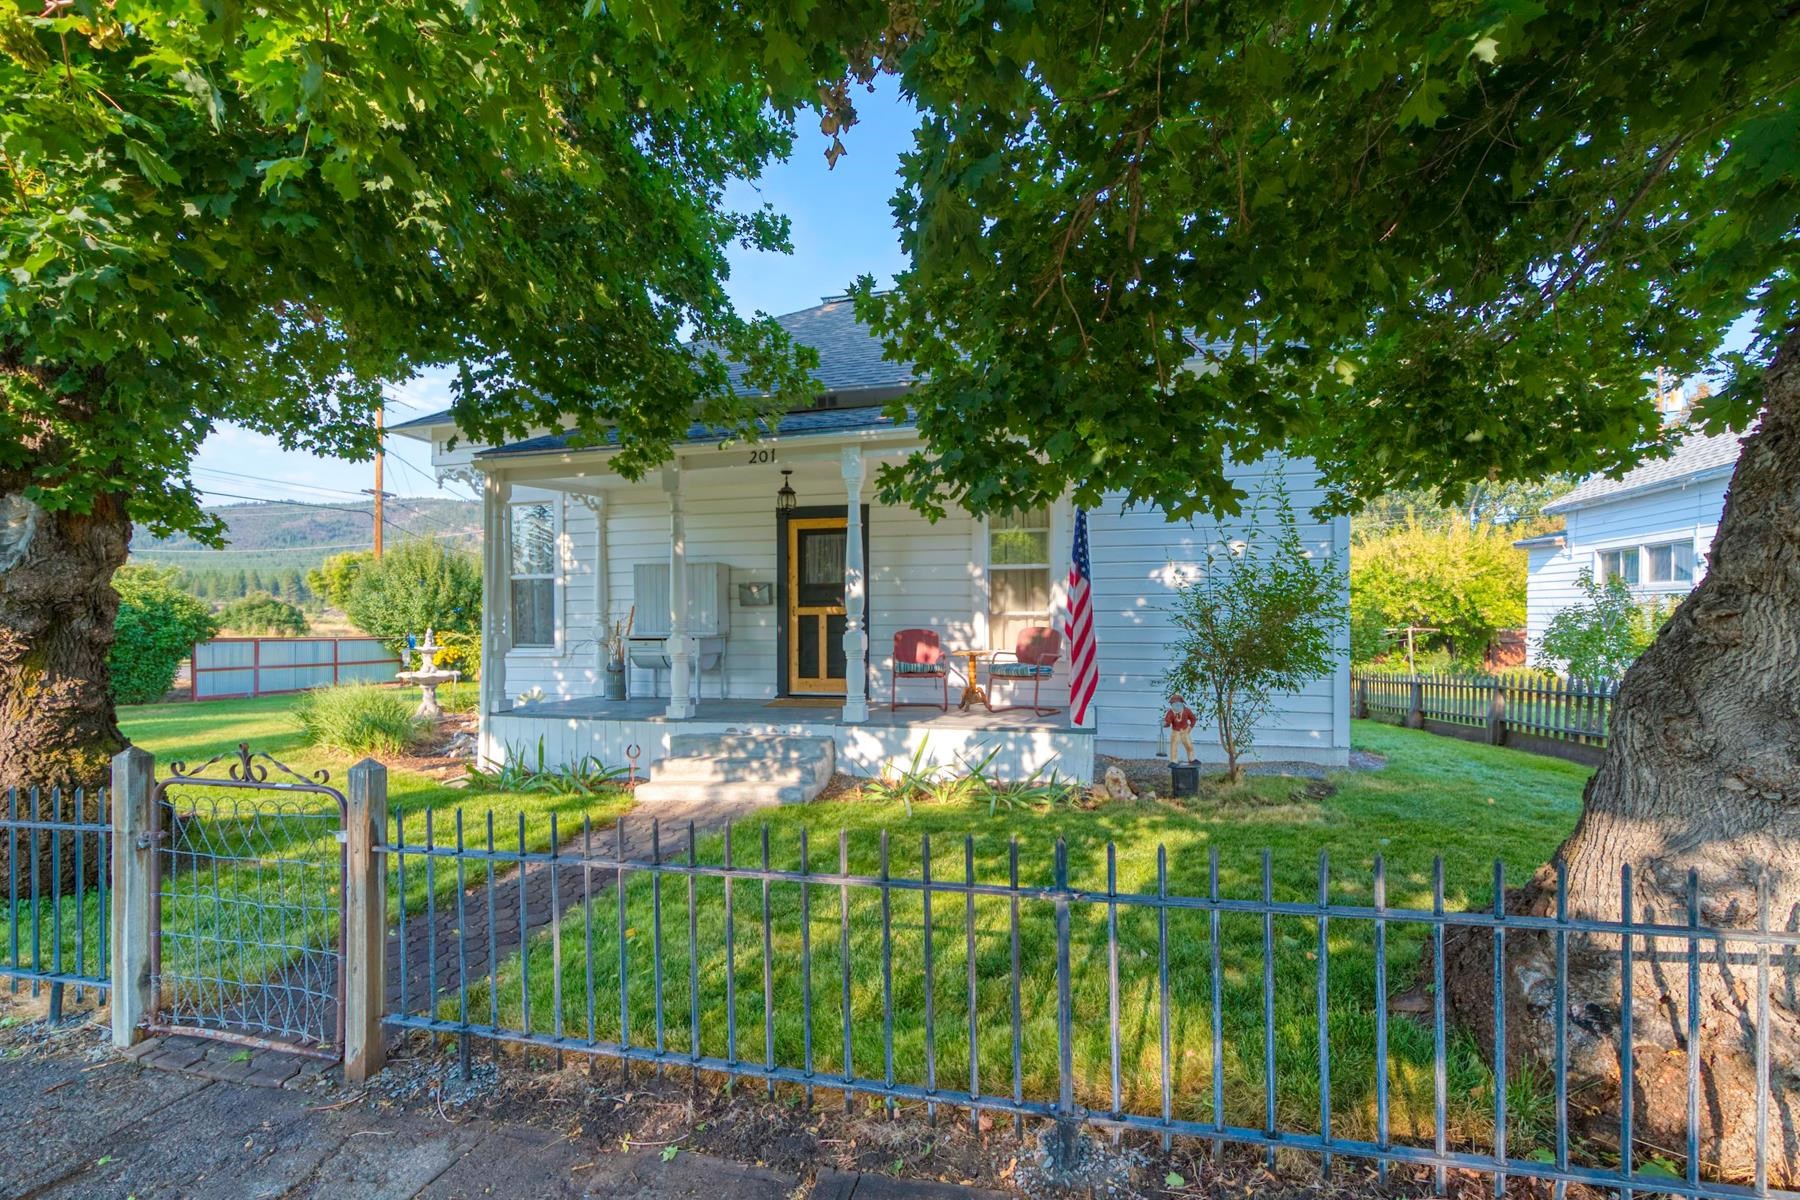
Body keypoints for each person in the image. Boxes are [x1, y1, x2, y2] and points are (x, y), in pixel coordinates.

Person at [1163, 694, 1198, 763]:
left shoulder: (1186, 711)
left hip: (1185, 730)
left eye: (1178, 704)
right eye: (1174, 704)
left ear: (1182, 704)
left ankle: (1192, 759)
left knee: (1189, 745)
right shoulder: (1170, 713)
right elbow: (1168, 722)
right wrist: (1165, 724)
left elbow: (1193, 719)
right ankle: (1173, 761)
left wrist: (1190, 727)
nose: (1176, 706)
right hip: (1175, 731)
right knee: (1174, 746)